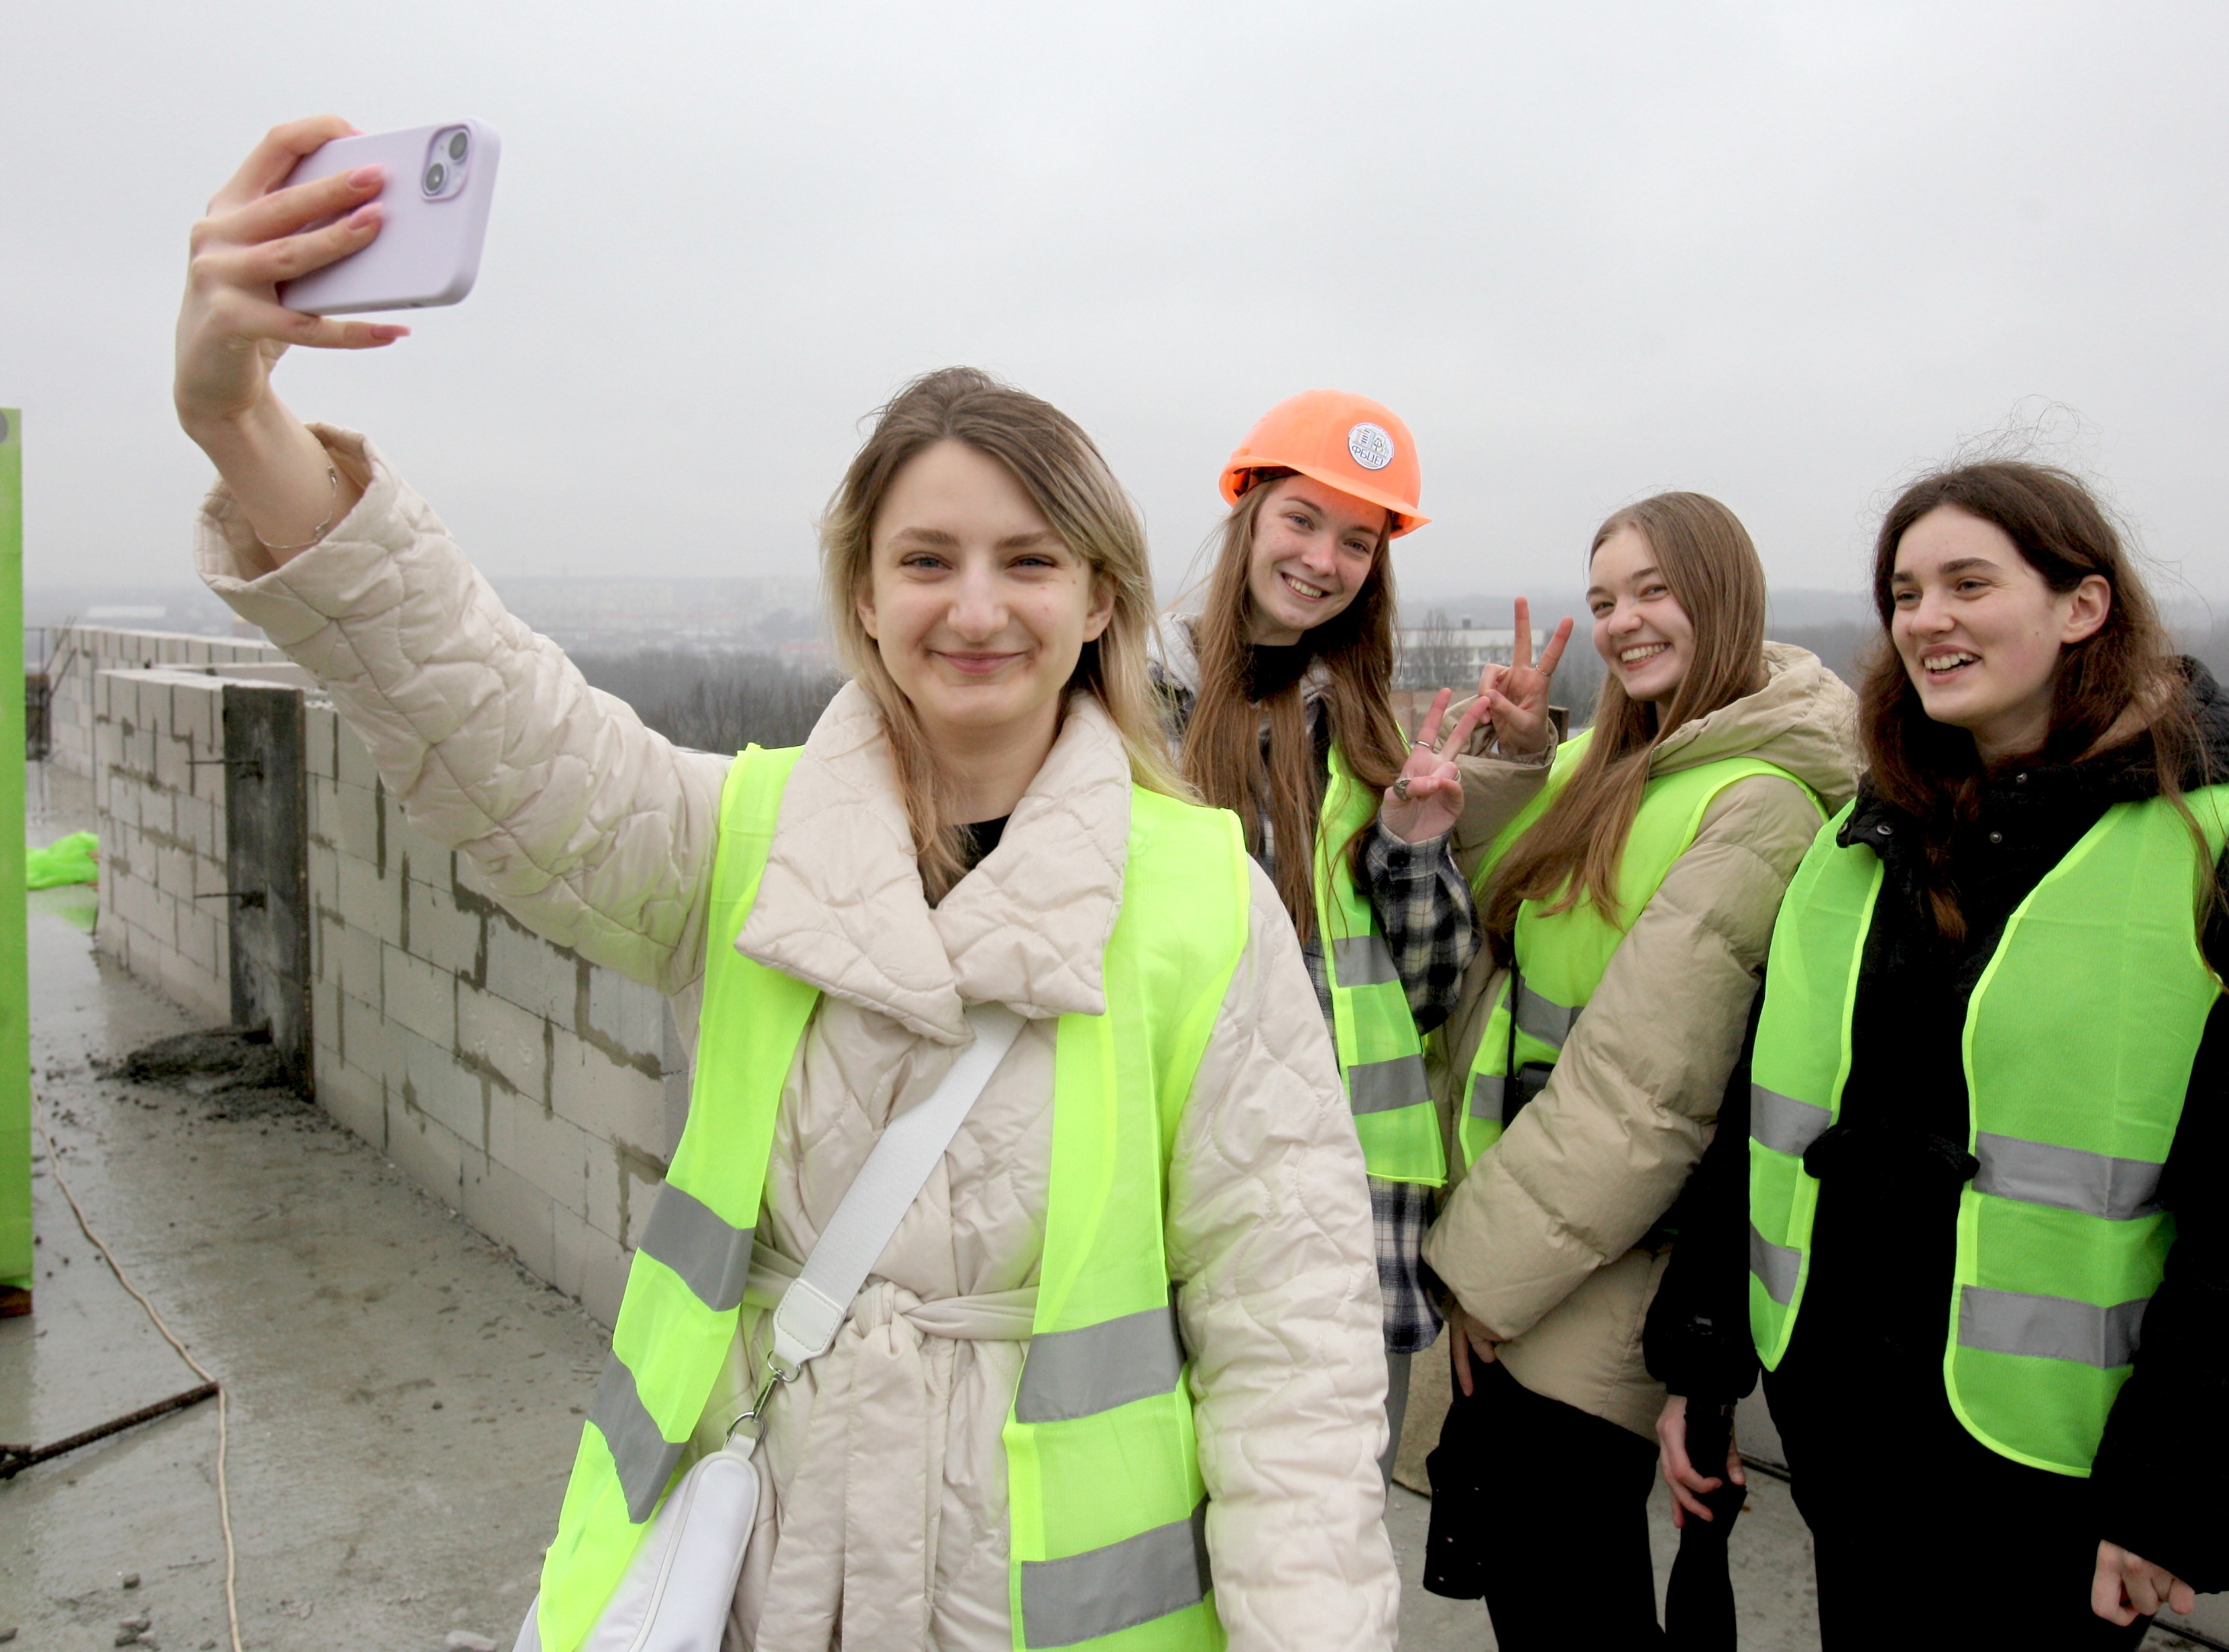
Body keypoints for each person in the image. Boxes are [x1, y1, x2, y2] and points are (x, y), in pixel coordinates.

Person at [172, 119, 1399, 1652]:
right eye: (925, 558)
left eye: (1028, 561)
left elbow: (1291, 1352)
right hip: (761, 1586)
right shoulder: (742, 844)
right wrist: (238, 422)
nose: (974, 605)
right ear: (864, 598)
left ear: (1100, 599)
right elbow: (483, 716)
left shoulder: (1203, 904)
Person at [1742, 460, 2229, 1645]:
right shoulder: (1860, 840)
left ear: (2081, 606)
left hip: (2048, 1488)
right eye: (1904, 591)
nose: (1926, 619)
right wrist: (1709, 1353)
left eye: (1968, 583)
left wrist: (2175, 1500)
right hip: (1848, 1440)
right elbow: (1768, 1124)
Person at [1417, 494, 1860, 1650]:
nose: (1622, 623)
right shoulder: (1623, 758)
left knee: (1567, 1596)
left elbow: (1643, 1098)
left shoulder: (1754, 802)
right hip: (1539, 1242)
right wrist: (1518, 759)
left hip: (1596, 1271)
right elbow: (1501, 898)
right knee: (1540, 1581)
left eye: (1653, 591)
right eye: (1604, 597)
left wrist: (1478, 1281)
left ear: (1722, 595)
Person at [1152, 390, 1487, 1450]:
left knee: (1322, 1545)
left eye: (1358, 540)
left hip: (1345, 1204)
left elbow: (1425, 994)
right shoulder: (1126, 703)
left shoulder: (1365, 722)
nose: (1323, 559)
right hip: (1168, 1188)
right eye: (1301, 518)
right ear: (1246, 510)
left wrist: (1411, 847)